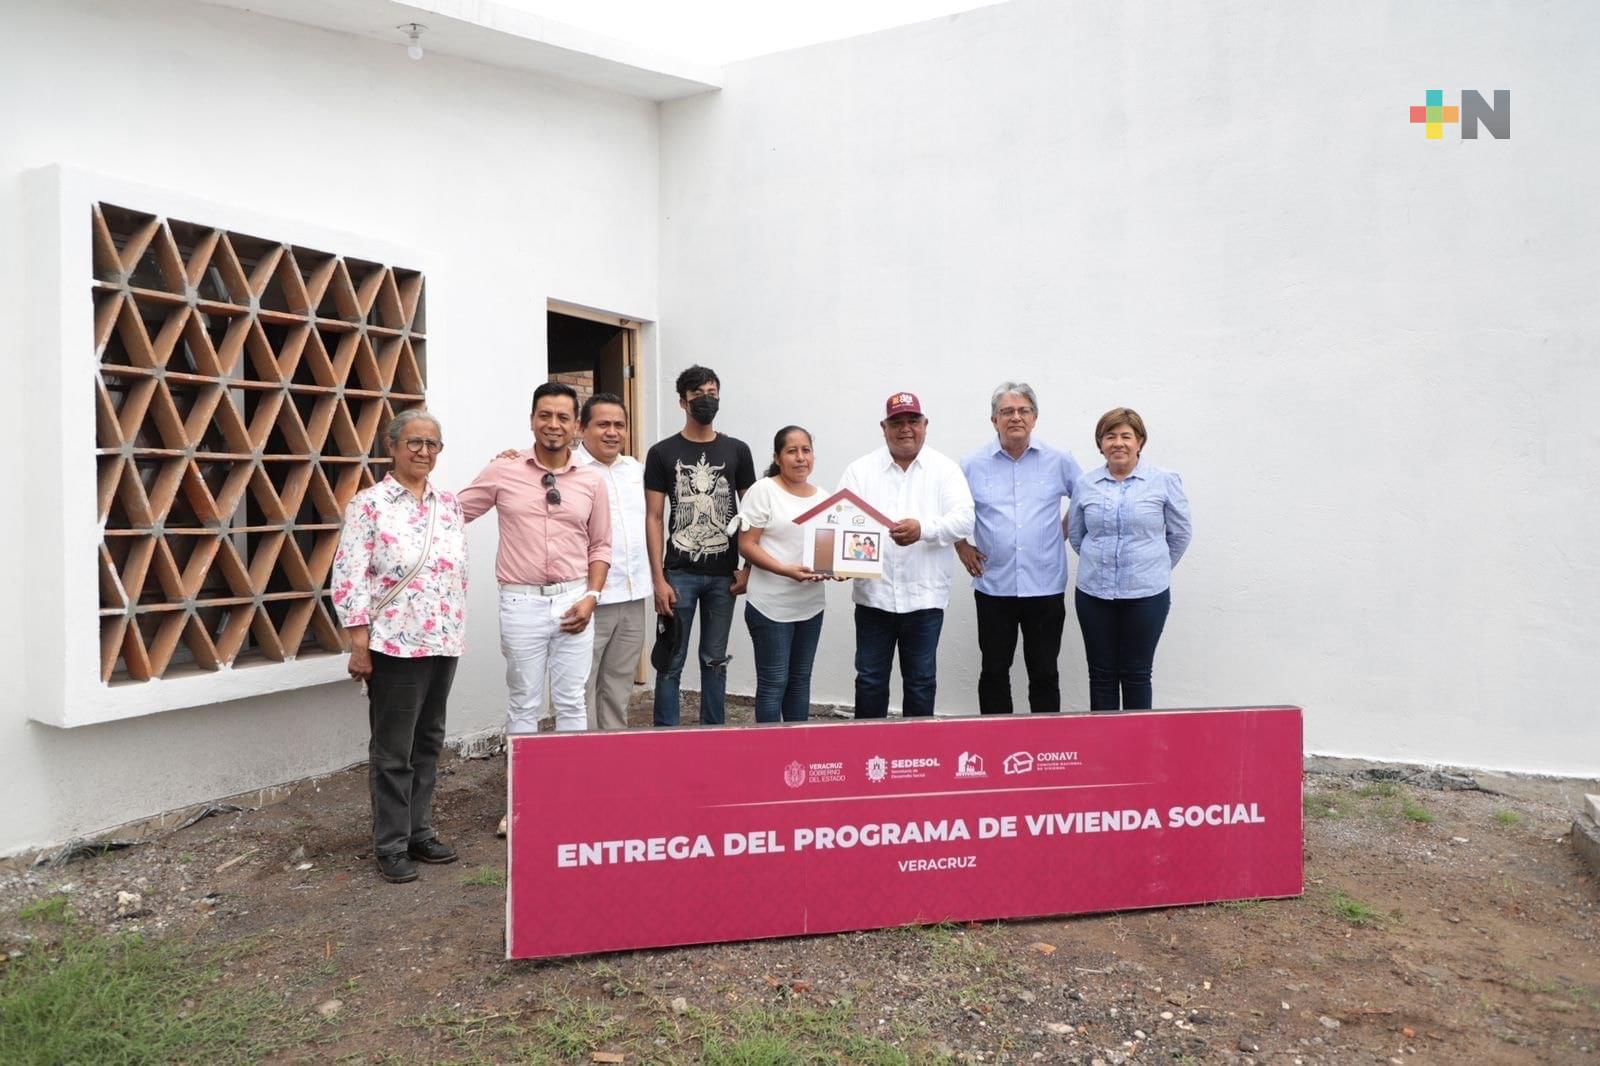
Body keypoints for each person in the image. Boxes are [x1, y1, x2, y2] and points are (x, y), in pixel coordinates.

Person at [331, 409, 468, 884]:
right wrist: (359, 643)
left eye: (432, 444)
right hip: (393, 645)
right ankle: (389, 843)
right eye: (414, 442)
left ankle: (418, 831)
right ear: (392, 446)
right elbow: (348, 578)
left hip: (442, 639)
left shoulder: (447, 505)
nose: (423, 452)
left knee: (429, 740)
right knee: (393, 748)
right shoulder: (368, 505)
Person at [459, 382, 611, 739]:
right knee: (523, 702)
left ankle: (569, 788)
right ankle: (524, 790)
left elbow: (602, 546)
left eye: (563, 417)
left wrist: (592, 597)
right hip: (520, 603)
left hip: (575, 601)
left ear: (576, 426)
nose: (553, 424)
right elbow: (455, 512)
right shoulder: (504, 471)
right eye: (545, 415)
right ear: (531, 420)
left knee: (572, 701)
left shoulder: (592, 480)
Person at [837, 392, 974, 718]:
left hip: (924, 599)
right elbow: (842, 522)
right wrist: (840, 562)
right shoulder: (860, 470)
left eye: (913, 421)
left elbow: (965, 519)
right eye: (896, 422)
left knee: (921, 682)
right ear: (883, 427)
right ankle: (869, 753)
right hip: (874, 598)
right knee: (869, 680)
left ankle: (917, 756)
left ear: (925, 425)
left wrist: (922, 529)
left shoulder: (946, 470)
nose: (905, 429)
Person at [956, 382, 1083, 714]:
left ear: (1035, 417)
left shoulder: (1059, 460)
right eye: (1007, 411)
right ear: (994, 419)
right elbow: (949, 509)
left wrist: (1063, 531)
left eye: (1023, 410)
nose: (1015, 417)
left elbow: (1084, 498)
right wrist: (961, 545)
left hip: (1044, 586)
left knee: (1044, 672)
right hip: (994, 586)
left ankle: (1043, 747)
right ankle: (997, 744)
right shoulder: (971, 464)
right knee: (994, 671)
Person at [644, 366, 757, 726]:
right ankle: (666, 740)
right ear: (683, 401)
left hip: (724, 577)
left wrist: (748, 569)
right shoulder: (662, 452)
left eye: (712, 392)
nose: (706, 399)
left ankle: (713, 737)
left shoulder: (738, 450)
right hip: (679, 575)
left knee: (715, 660)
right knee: (670, 660)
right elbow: (655, 518)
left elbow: (752, 514)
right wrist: (658, 579)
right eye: (698, 394)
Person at [1066, 407, 1192, 711]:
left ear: (1139, 441)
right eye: (1110, 436)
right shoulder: (1086, 484)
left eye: (1126, 436)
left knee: (1137, 674)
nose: (1118, 443)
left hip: (1146, 595)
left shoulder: (1162, 481)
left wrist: (1152, 566)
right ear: (1100, 444)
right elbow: (1077, 534)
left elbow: (1180, 534)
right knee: (1101, 674)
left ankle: (1137, 752)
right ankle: (1104, 750)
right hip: (1094, 594)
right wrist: (1104, 562)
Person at [732, 426, 828, 723]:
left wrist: (838, 570)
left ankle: (797, 752)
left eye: (806, 450)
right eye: (791, 451)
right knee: (774, 683)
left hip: (810, 606)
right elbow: (747, 546)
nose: (800, 458)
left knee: (800, 682)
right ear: (777, 457)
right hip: (770, 607)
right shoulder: (764, 491)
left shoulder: (823, 497)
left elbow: (827, 551)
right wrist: (785, 570)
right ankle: (770, 756)